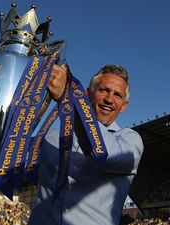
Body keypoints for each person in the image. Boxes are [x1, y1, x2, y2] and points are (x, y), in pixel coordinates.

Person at [28, 64, 144, 225]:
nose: (109, 99)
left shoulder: (129, 141)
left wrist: (67, 102)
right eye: (104, 90)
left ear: (124, 106)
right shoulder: (48, 136)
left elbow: (104, 154)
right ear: (88, 94)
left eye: (117, 95)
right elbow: (10, 154)